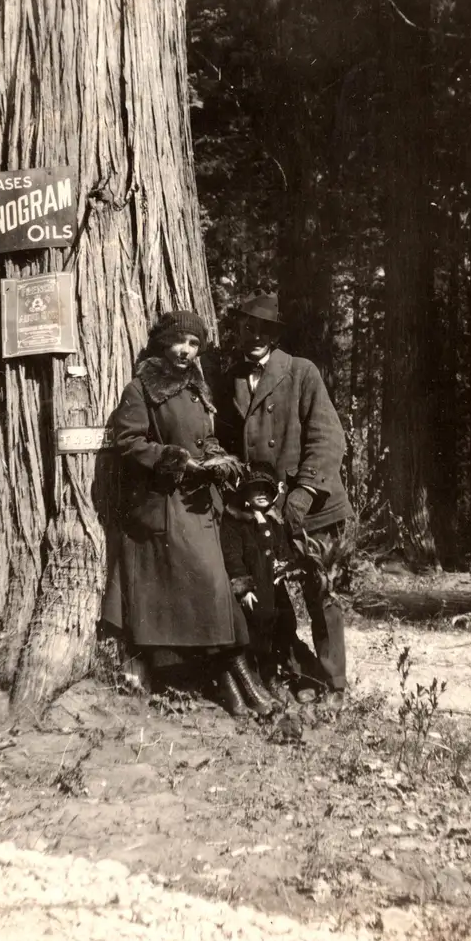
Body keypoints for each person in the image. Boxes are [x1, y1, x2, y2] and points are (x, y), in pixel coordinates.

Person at [101, 310, 275, 719]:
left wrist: (216, 457)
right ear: (164, 342)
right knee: (210, 593)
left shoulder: (198, 388)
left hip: (201, 506)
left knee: (216, 595)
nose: (186, 351)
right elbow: (130, 442)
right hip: (166, 506)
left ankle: (239, 691)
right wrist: (178, 461)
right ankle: (238, 688)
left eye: (194, 344)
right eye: (180, 341)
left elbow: (206, 435)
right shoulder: (141, 388)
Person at [216, 291, 355, 709]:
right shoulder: (232, 381)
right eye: (247, 328)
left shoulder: (300, 372)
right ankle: (299, 675)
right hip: (263, 510)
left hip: (311, 506)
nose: (255, 336)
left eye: (264, 330)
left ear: (275, 335)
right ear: (238, 332)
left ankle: (335, 686)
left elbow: (328, 437)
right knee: (270, 599)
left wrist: (304, 491)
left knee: (321, 595)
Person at [220, 462, 304, 700]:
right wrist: (243, 588)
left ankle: (272, 677)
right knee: (253, 631)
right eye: (256, 489)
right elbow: (232, 556)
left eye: (267, 490)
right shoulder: (236, 521)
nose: (262, 495)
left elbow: (283, 550)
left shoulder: (274, 521)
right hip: (254, 589)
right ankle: (253, 679)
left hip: (273, 589)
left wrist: (285, 567)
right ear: (245, 492)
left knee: (280, 627)